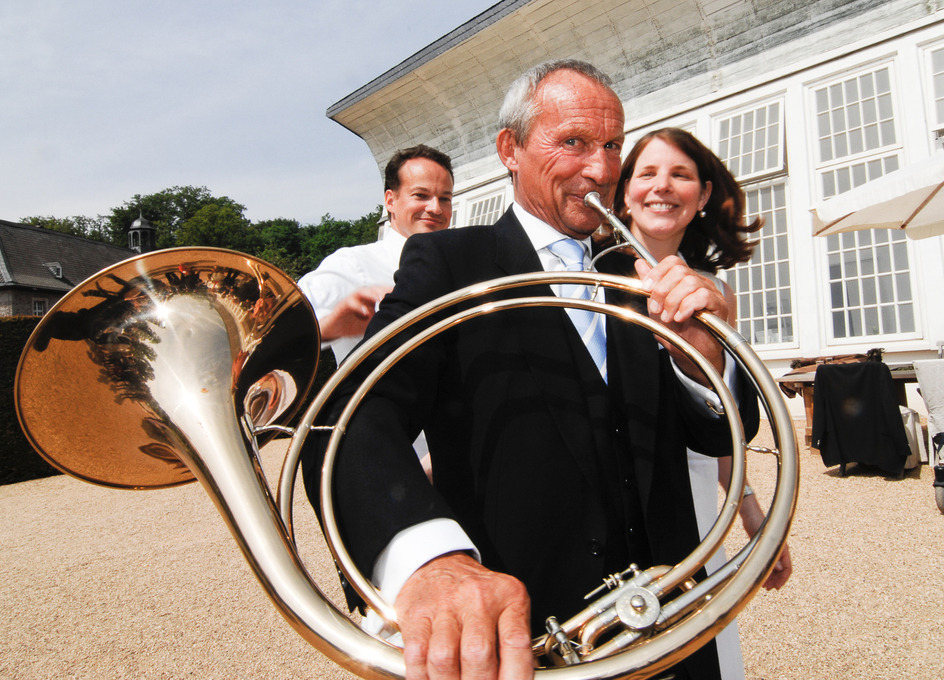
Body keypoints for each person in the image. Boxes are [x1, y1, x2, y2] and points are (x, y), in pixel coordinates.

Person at [310, 60, 760, 680]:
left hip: (673, 635)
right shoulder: (450, 263)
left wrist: (699, 356)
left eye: (611, 145)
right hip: (531, 643)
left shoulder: (636, 272)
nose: (601, 170)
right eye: (572, 142)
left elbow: (717, 434)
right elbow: (355, 413)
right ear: (510, 150)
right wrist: (430, 561)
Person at [612, 127, 793, 680]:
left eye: (680, 174)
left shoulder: (713, 290)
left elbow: (719, 422)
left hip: (691, 500)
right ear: (624, 195)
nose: (662, 186)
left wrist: (751, 510)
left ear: (704, 194)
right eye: (647, 173)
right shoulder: (587, 279)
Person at [297, 144, 454, 364]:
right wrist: (331, 326)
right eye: (421, 195)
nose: (436, 208)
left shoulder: (463, 268)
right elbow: (285, 328)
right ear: (390, 201)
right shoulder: (353, 264)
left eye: (445, 198)